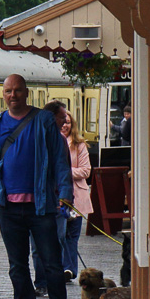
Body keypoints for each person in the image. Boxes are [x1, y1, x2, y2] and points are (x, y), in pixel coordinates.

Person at [0, 75, 74, 299]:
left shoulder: (44, 121)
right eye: (8, 91)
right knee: (17, 264)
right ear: (4, 94)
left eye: (18, 91)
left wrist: (65, 192)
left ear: (26, 93)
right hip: (9, 208)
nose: (13, 95)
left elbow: (60, 159)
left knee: (52, 261)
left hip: (42, 206)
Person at [32, 100, 69, 297]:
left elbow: (65, 170)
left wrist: (64, 197)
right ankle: (41, 282)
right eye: (62, 117)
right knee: (38, 247)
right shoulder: (33, 138)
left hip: (55, 202)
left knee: (57, 241)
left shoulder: (61, 140)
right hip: (38, 202)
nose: (65, 121)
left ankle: (55, 282)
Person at [61, 111, 91, 280]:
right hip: (57, 198)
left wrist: (63, 172)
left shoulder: (80, 145)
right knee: (59, 235)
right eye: (62, 122)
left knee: (72, 236)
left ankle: (69, 270)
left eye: (68, 122)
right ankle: (61, 268)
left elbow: (86, 171)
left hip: (76, 197)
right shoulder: (49, 143)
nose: (65, 125)